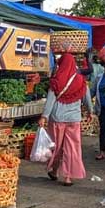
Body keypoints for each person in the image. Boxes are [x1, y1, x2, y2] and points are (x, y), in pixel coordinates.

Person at [39, 53, 93, 185]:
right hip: (74, 119)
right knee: (72, 148)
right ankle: (68, 177)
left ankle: (54, 170)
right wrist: (90, 112)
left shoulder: (56, 81)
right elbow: (87, 98)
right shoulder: (81, 80)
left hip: (57, 119)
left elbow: (50, 101)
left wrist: (44, 116)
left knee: (56, 147)